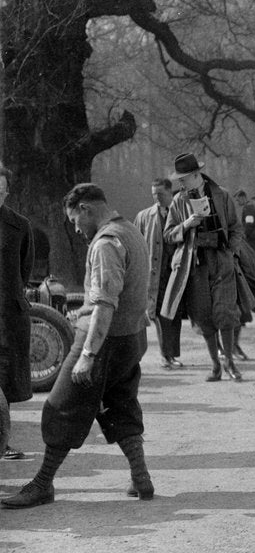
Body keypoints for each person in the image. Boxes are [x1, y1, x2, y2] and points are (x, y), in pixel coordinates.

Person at [2, 183, 151, 509]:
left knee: (59, 408)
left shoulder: (105, 244)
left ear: (85, 208)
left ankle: (42, 484)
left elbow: (104, 306)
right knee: (120, 403)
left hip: (101, 342)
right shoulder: (131, 232)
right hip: (130, 339)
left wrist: (87, 355)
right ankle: (141, 477)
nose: (77, 229)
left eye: (74, 221)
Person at [162, 153, 245, 382]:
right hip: (195, 265)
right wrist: (187, 224)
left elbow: (236, 228)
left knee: (225, 312)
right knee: (203, 315)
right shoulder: (179, 201)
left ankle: (229, 361)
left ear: (197, 175)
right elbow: (168, 235)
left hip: (221, 261)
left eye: (184, 178)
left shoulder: (222, 195)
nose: (181, 183)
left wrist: (232, 252)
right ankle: (215, 365)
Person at [0, 165, 34, 461]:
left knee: (5, 382)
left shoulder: (19, 225)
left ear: (7, 192)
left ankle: (3, 442)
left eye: (1, 190)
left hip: (8, 315)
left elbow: (25, 269)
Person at [134, 178, 183, 370]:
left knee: (174, 314)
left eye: (161, 194)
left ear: (170, 193)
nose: (157, 198)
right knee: (161, 316)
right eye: (154, 194)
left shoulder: (180, 214)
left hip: (176, 273)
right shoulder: (144, 216)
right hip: (155, 275)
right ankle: (166, 355)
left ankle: (171, 354)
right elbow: (136, 245)